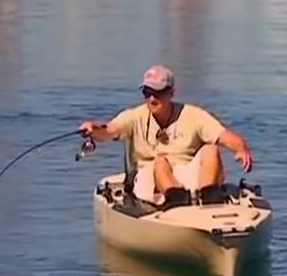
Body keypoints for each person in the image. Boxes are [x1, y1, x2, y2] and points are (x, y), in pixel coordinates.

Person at [79, 65, 253, 206]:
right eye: (147, 93)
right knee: (160, 162)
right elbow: (109, 130)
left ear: (171, 93)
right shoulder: (133, 116)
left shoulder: (193, 115)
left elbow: (224, 135)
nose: (152, 99)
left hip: (185, 173)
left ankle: (209, 197)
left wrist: (241, 148)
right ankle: (175, 199)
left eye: (158, 93)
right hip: (148, 179)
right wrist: (93, 128)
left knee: (211, 150)